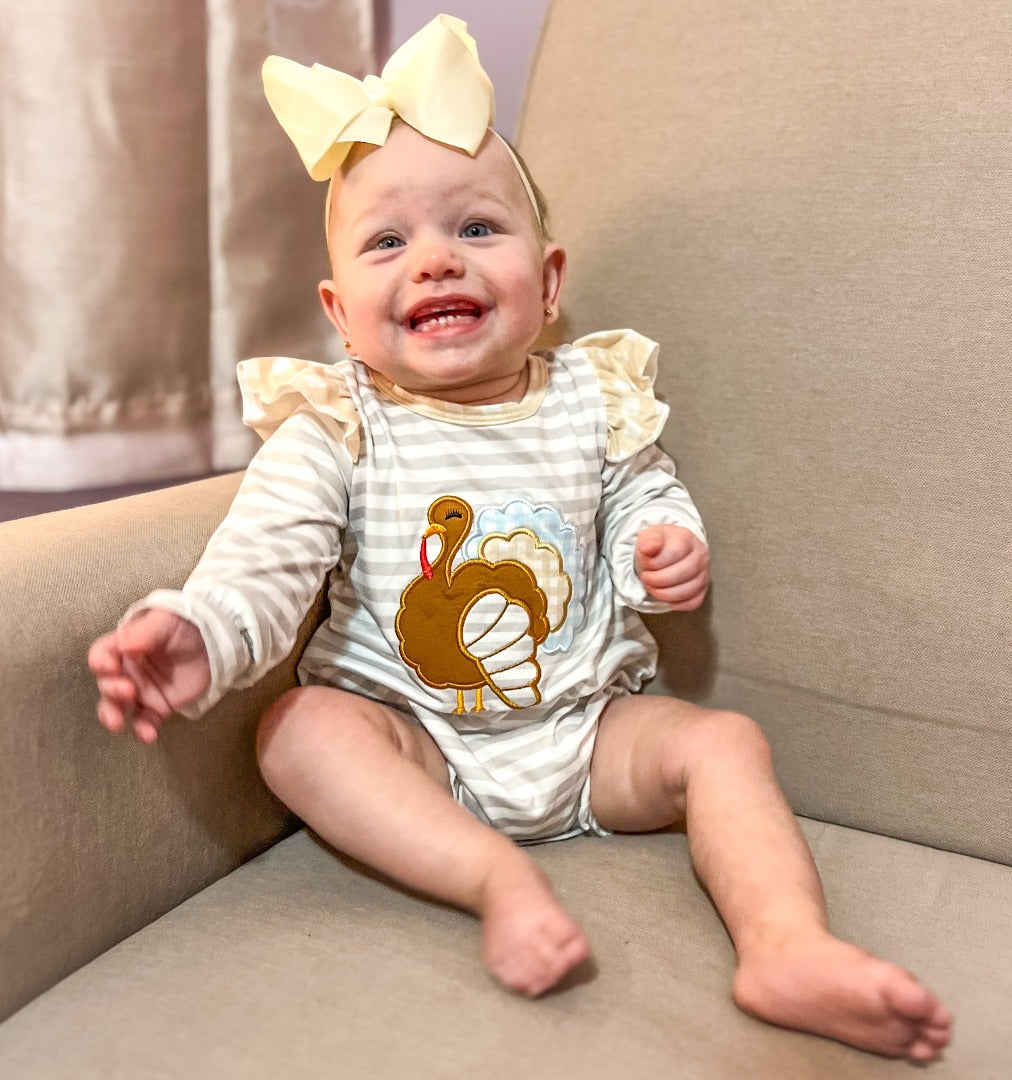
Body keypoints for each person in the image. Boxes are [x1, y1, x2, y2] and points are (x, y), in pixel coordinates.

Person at [88, 15, 951, 1063]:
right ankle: (493, 877)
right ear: (341, 313)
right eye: (388, 242)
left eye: (476, 230)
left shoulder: (593, 399)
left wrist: (663, 541)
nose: (436, 259)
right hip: (417, 746)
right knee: (297, 733)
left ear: (546, 286)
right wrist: (199, 631)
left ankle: (784, 943)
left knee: (722, 743)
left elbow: (645, 490)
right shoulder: (341, 424)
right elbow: (264, 561)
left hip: (590, 733)